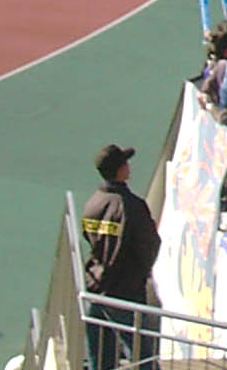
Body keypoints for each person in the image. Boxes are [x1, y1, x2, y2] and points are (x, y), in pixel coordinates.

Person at [82, 141, 160, 370]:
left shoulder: (93, 204)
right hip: (126, 292)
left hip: (98, 289)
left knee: (100, 357)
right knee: (142, 355)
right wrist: (140, 274)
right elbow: (149, 244)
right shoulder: (131, 206)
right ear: (120, 170)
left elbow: (88, 236)